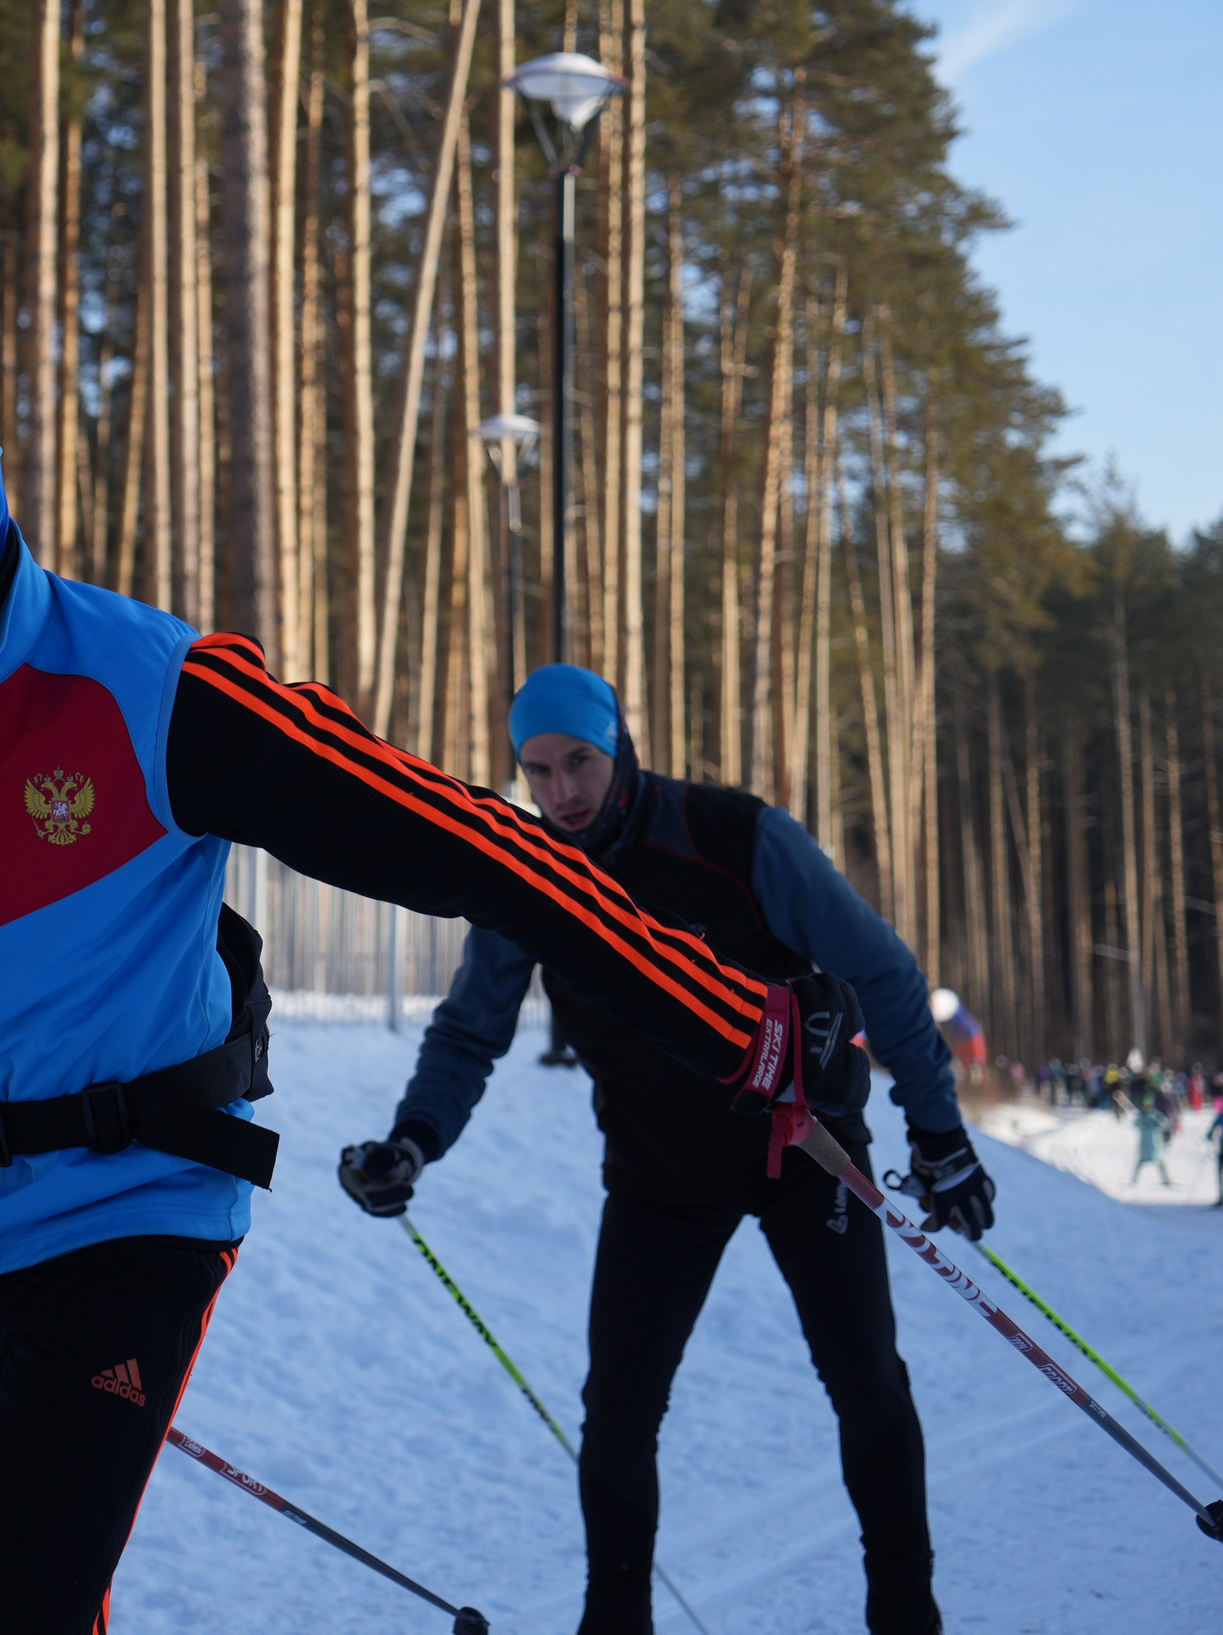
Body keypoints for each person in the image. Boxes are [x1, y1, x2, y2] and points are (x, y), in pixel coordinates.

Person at [0, 346, 864, 1635]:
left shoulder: (154, 687)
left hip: (127, 1206)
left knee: (12, 1607)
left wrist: (736, 1025)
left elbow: (478, 849)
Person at [339, 664, 991, 1635]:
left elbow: (882, 972)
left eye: (579, 762)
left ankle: (904, 1611)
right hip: (656, 1173)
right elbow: (470, 1030)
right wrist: (413, 1139)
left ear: (619, 745)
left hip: (800, 1147)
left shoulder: (733, 835)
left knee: (865, 1379)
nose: (560, 791)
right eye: (537, 770)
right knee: (618, 1411)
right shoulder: (528, 870)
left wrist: (937, 1133)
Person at [1132, 1099, 1174, 1188]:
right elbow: (1135, 1124)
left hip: (1155, 1144)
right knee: (1140, 1163)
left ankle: (1166, 1180)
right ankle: (1134, 1180)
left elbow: (1165, 1123)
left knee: (1160, 1163)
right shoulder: (1141, 1116)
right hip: (1145, 1145)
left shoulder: (1156, 1114)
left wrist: (1155, 1117)